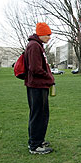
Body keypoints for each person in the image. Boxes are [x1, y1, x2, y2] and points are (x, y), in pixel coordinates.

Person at [24, 22, 55, 154]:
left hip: (39, 85)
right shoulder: (34, 46)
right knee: (39, 115)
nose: (49, 37)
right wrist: (49, 78)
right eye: (47, 35)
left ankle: (37, 140)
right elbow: (35, 69)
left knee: (40, 114)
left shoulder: (37, 45)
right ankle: (35, 145)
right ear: (41, 34)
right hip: (37, 86)